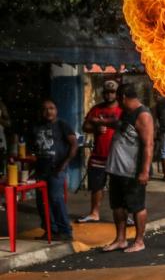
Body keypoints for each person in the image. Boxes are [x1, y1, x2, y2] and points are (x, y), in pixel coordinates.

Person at [102, 84, 154, 253]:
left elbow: (148, 145)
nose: (116, 101)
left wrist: (144, 171)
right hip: (116, 168)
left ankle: (139, 241)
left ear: (123, 96)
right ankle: (121, 239)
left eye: (118, 97)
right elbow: (120, 127)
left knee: (137, 206)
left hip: (133, 171)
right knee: (117, 206)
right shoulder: (126, 112)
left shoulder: (143, 115)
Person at [31, 99, 78, 241]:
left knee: (56, 199)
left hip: (57, 168)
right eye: (45, 109)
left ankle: (65, 231)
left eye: (51, 108)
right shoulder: (36, 126)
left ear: (56, 110)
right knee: (41, 201)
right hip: (41, 169)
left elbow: (74, 144)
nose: (48, 111)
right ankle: (50, 230)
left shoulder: (62, 124)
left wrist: (64, 164)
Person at [78, 80, 122, 223]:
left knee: (119, 187)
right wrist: (95, 129)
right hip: (98, 155)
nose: (109, 95)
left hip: (118, 156)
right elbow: (85, 127)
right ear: (103, 93)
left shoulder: (123, 110)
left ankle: (123, 216)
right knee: (97, 186)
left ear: (117, 93)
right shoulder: (96, 109)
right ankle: (94, 213)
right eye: (107, 92)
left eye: (112, 92)